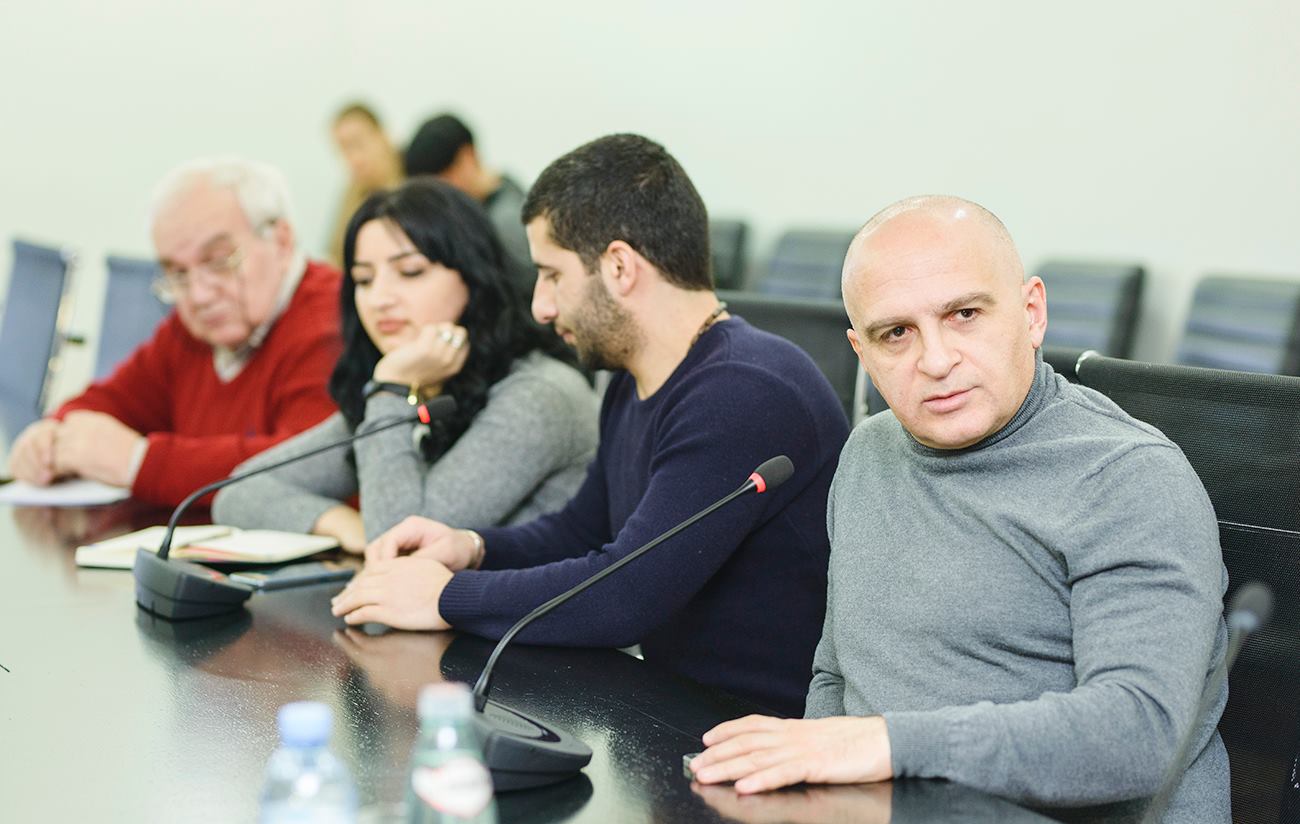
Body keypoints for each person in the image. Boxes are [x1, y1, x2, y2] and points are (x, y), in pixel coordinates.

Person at [690, 196, 1229, 821]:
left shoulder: (1129, 478)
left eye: (964, 314)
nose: (937, 361)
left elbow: (1141, 733)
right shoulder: (867, 455)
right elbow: (838, 676)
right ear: (862, 353)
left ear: (1031, 313)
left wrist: (888, 745)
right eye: (896, 333)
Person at [331, 134, 849, 716]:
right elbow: (583, 530)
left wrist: (448, 597)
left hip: (765, 729)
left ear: (619, 267)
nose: (540, 307)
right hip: (672, 710)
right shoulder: (632, 379)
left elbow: (626, 593)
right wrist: (472, 549)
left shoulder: (743, 391)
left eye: (551, 275)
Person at [212, 179, 598, 552]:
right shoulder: (418, 383)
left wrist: (392, 389)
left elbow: (402, 546)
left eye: (410, 272)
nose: (380, 298)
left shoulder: (539, 395)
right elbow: (238, 493)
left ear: (473, 277)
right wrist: (338, 521)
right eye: (364, 279)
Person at [6, 158, 342, 507]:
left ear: (282, 242)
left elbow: (310, 469)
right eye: (177, 273)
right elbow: (114, 401)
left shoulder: (332, 320)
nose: (199, 295)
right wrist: (51, 435)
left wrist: (140, 463)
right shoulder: (195, 329)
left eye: (219, 260)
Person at [403, 114, 532, 293]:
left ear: (467, 157)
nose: (440, 198)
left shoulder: (506, 222)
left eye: (443, 181)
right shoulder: (504, 202)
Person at [326, 102, 403, 267]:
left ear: (383, 136)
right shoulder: (353, 192)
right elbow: (336, 257)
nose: (354, 158)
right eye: (343, 149)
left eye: (358, 143)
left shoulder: (417, 176)